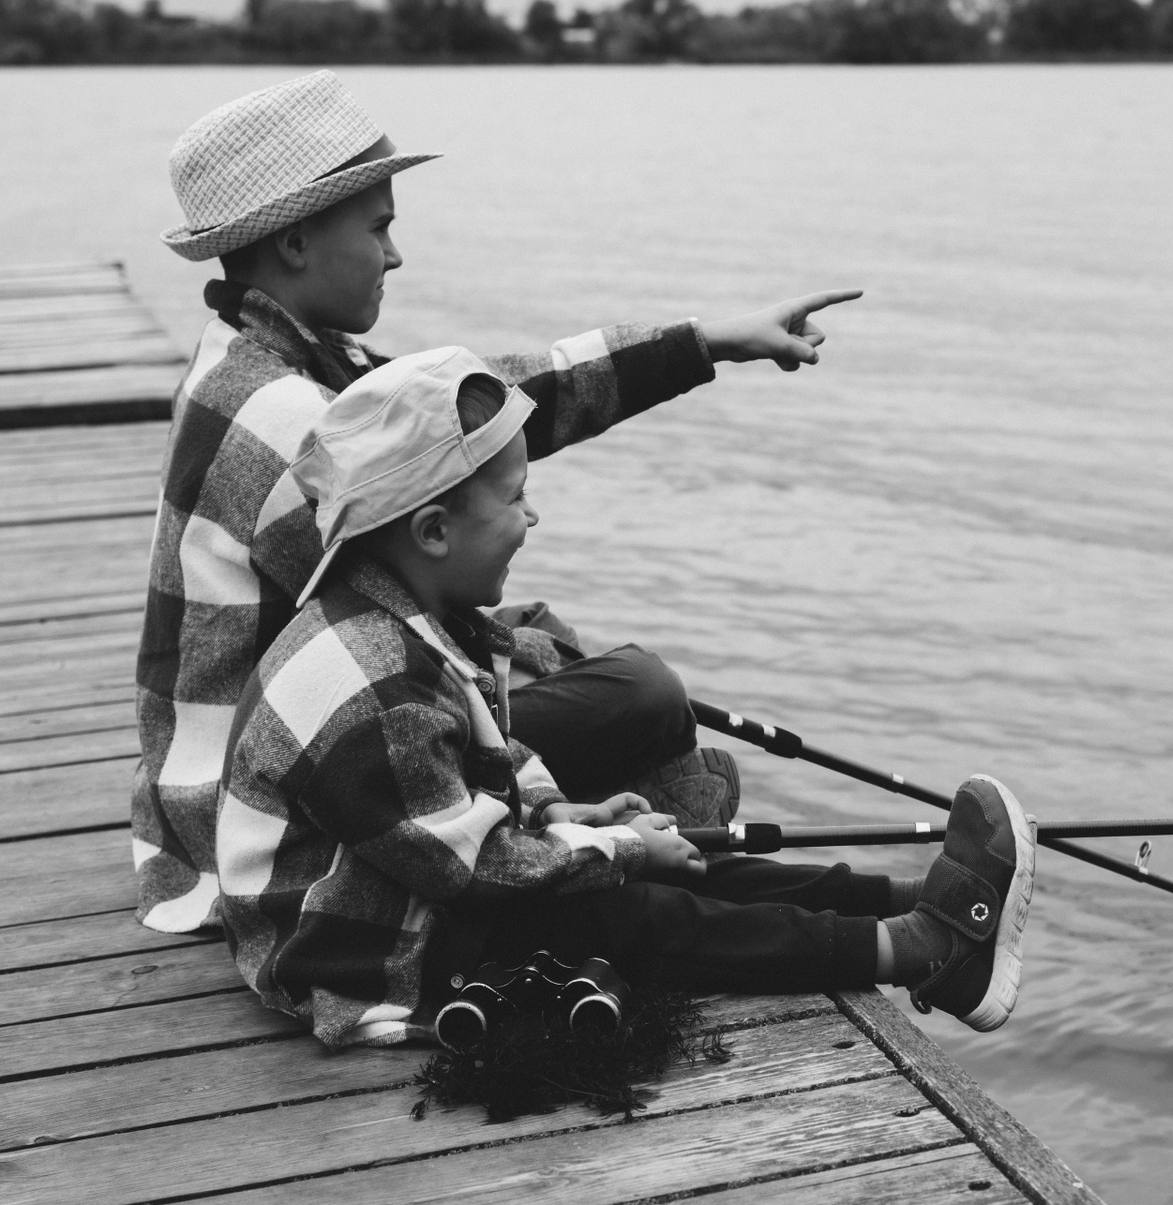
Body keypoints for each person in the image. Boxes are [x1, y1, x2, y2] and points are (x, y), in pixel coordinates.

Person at [136, 68, 856, 932]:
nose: (395, 255)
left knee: (559, 643)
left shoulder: (266, 355)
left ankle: (665, 842)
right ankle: (661, 867)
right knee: (642, 692)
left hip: (277, 752)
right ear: (295, 243)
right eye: (379, 227)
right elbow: (419, 623)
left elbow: (492, 404)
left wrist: (706, 342)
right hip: (260, 818)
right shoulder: (284, 418)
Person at [216, 350, 1035, 1046]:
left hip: (408, 896)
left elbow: (489, 756)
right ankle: (919, 955)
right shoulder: (374, 685)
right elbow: (477, 869)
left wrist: (569, 812)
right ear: (433, 531)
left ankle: (915, 903)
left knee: (679, 868)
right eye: (516, 498)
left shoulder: (406, 622)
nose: (533, 515)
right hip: (358, 956)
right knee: (629, 913)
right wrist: (622, 853)